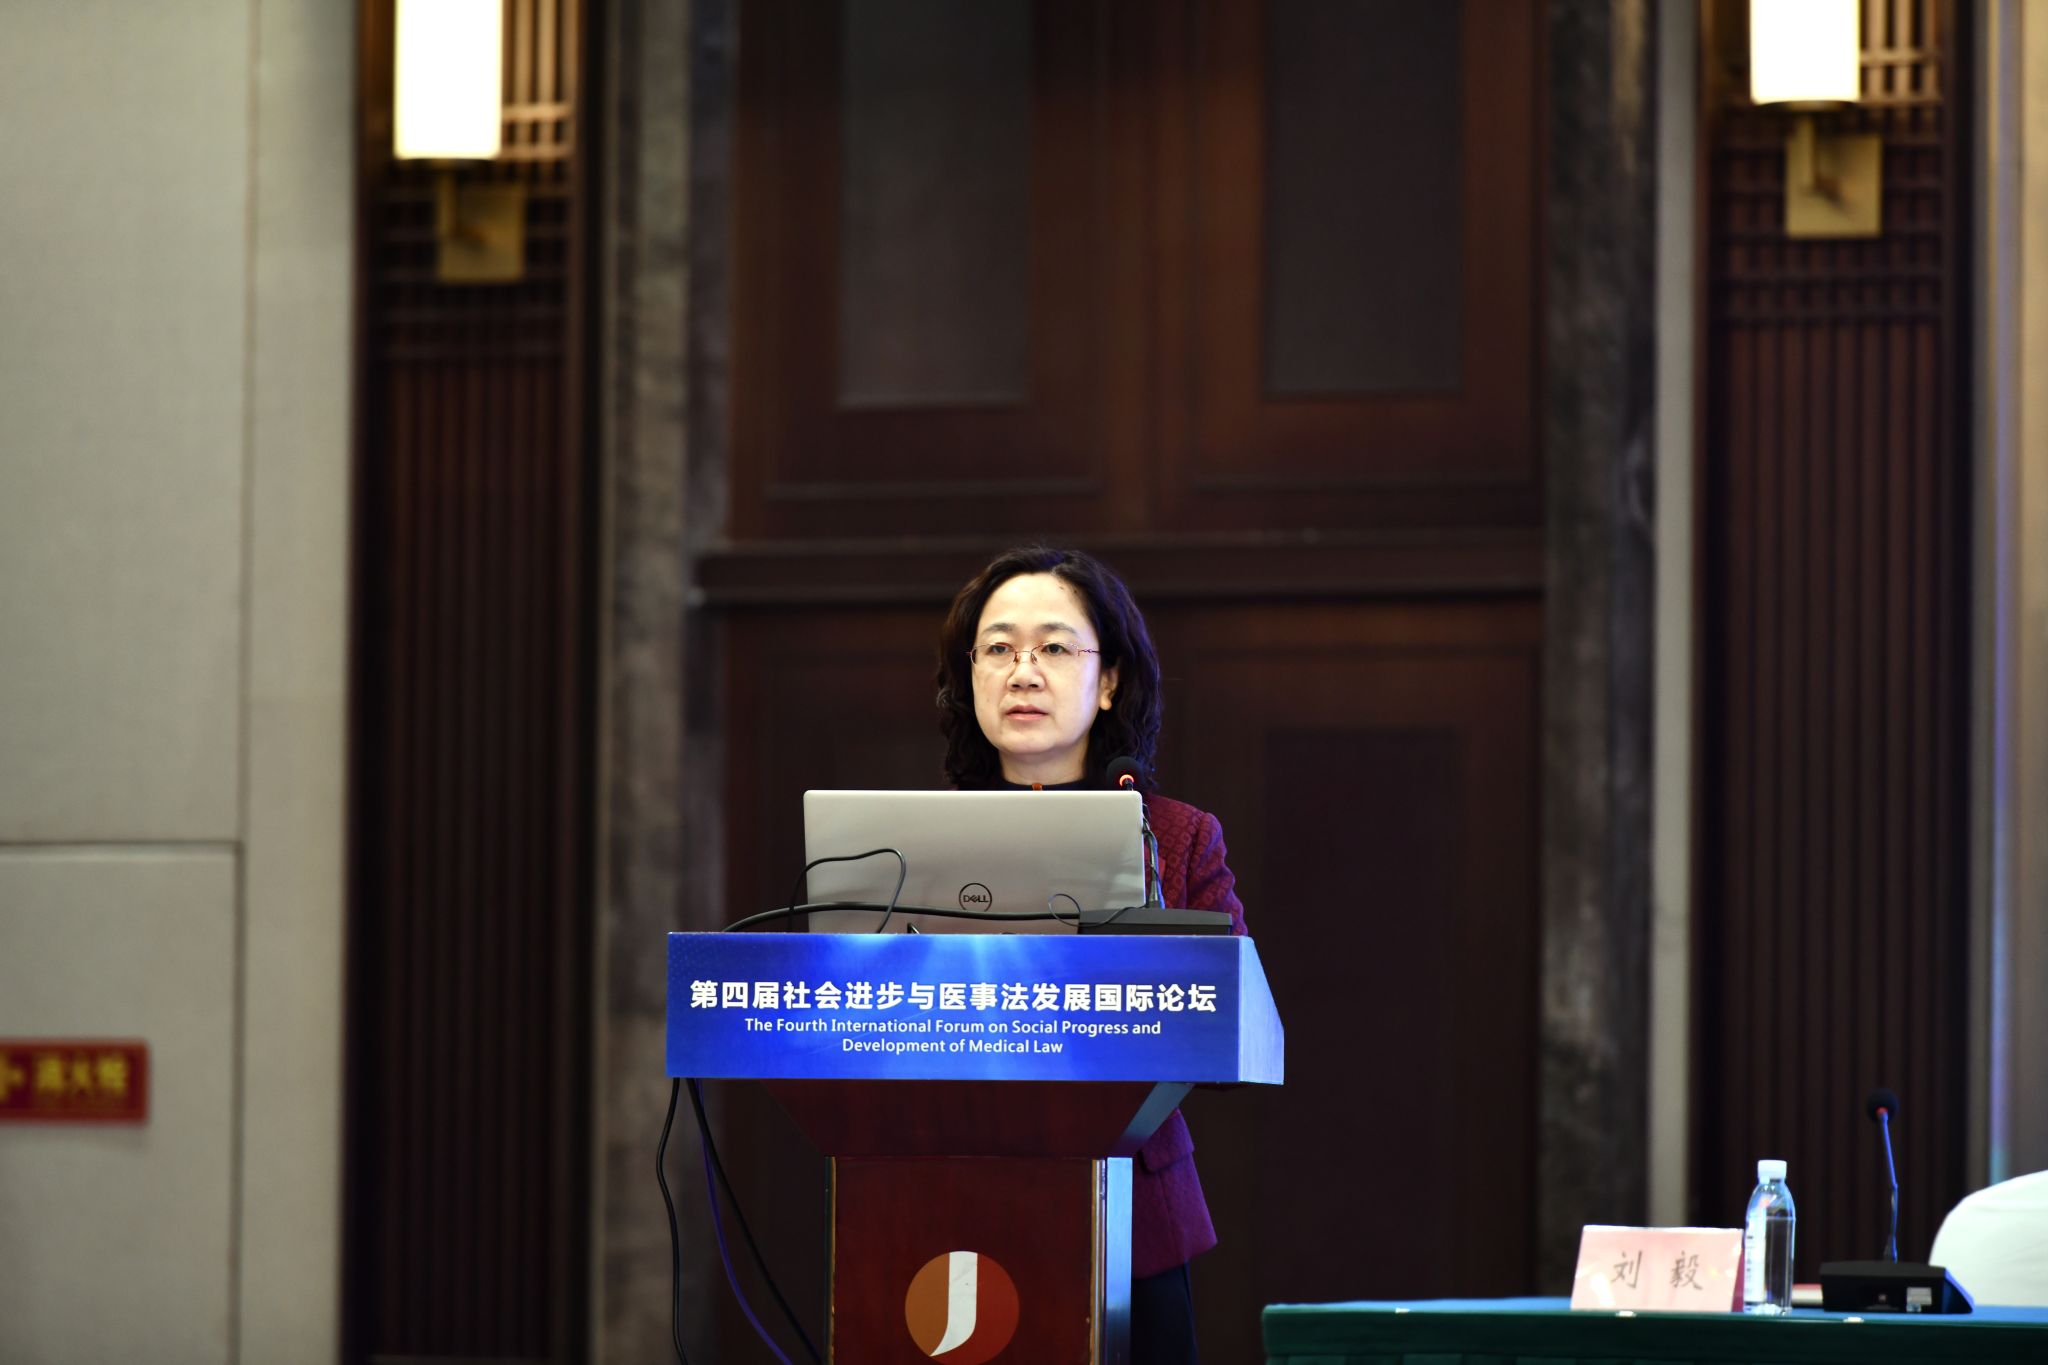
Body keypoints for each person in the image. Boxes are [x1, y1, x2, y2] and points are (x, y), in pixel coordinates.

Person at [934, 545, 1245, 1365]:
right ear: (970, 676)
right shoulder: (911, 841)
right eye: (998, 648)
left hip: (1134, 1217)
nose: (1023, 671)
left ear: (1108, 681)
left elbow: (1232, 1031)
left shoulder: (1176, 836)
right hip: (944, 1201)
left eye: (1053, 646)